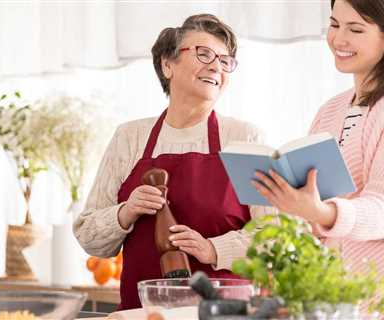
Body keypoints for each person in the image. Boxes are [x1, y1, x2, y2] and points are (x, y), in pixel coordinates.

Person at [73, 14, 271, 310]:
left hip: (224, 314)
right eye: (204, 54)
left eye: (225, 60)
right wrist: (126, 212)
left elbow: (277, 236)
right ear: (168, 64)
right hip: (144, 313)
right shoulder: (130, 137)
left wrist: (212, 248)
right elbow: (89, 235)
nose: (216, 65)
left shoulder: (245, 138)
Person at [253, 0, 384, 302]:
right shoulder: (330, 111)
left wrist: (322, 212)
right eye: (335, 24)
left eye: (355, 29)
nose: (339, 39)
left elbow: (380, 209)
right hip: (333, 296)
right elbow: (316, 209)